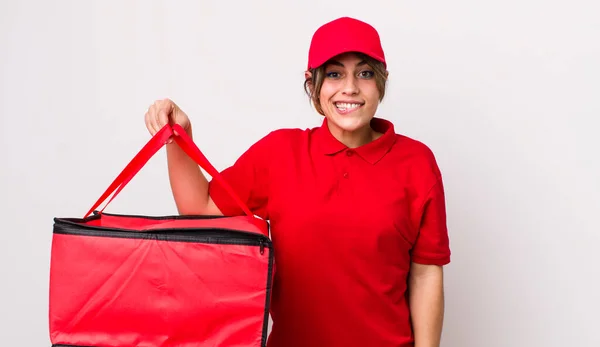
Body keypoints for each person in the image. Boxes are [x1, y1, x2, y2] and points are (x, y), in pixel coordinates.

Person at [144, 16, 451, 347]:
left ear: (382, 81)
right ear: (313, 83)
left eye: (364, 73)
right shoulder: (279, 153)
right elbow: (199, 208)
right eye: (334, 74)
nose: (350, 87)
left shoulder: (416, 162)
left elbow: (425, 273)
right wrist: (180, 138)